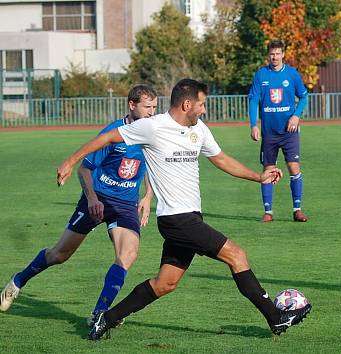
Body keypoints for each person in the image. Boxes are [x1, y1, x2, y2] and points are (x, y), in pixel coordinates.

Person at [56, 79, 311, 340]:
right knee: (236, 255)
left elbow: (220, 159)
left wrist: (259, 177)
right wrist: (70, 161)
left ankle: (106, 319)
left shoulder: (198, 128)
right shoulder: (152, 127)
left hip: (190, 216)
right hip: (175, 219)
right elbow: (106, 137)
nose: (203, 110)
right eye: (201, 104)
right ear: (187, 104)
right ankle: (276, 317)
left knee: (165, 283)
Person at [0, 85, 158, 326]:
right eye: (147, 107)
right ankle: (18, 280)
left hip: (125, 204)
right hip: (97, 198)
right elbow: (85, 168)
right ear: (131, 105)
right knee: (60, 254)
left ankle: (100, 313)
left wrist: (147, 196)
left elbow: (150, 166)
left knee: (128, 254)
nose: (152, 112)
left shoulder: (152, 132)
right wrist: (93, 199)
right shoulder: (113, 132)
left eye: (155, 107)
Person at [248, 39, 309, 223]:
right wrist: (253, 124)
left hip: (289, 132)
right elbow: (253, 100)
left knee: (293, 167)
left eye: (278, 53)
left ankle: (297, 209)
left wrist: (296, 115)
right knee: (268, 170)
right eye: (272, 54)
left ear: (283, 54)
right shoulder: (261, 75)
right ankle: (268, 212)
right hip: (269, 133)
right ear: (268, 55)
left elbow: (304, 97)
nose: (275, 57)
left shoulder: (292, 74)